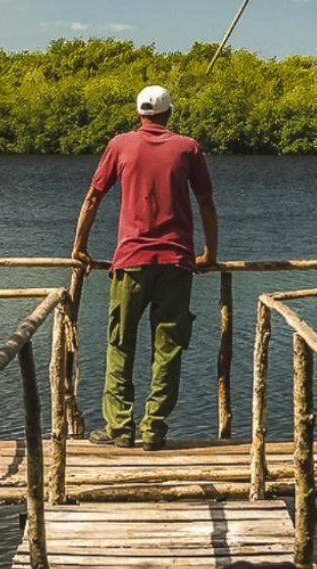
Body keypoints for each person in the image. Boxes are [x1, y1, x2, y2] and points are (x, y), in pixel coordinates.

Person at [71, 84, 218, 452]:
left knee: (120, 345)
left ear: (139, 113)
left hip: (130, 262)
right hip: (176, 263)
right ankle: (154, 430)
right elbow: (206, 204)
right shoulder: (188, 147)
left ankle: (120, 429)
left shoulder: (120, 145)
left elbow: (93, 197)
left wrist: (80, 246)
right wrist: (209, 253)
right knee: (167, 349)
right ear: (169, 114)